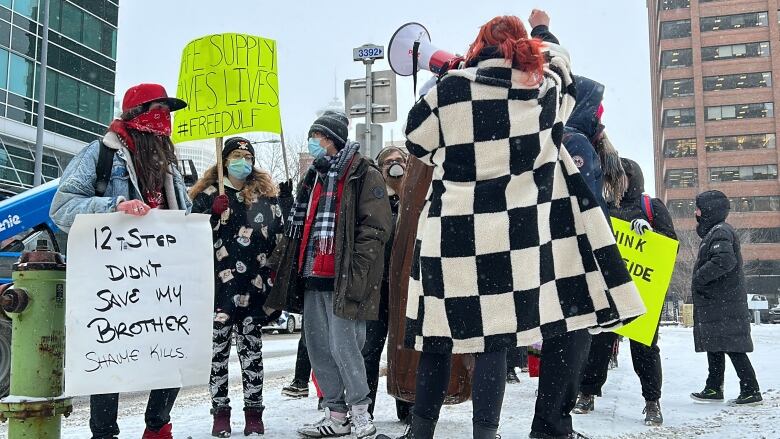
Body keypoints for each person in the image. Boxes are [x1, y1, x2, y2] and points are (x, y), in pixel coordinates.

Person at [395, 11, 644, 439]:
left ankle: (422, 431)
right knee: (495, 341)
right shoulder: (545, 92)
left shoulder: (451, 89)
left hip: (452, 236)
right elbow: (564, 65)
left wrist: (457, 73)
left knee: (438, 338)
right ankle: (485, 433)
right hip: (515, 241)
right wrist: (541, 32)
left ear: (479, 45)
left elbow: (416, 138)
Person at [49, 83, 191, 439]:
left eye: (167, 110)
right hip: (113, 279)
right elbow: (62, 210)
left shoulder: (169, 165)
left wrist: (203, 215)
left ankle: (158, 426)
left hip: (161, 278)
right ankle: (104, 433)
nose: (163, 118)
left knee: (169, 349)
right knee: (111, 351)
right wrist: (114, 207)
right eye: (155, 109)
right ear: (134, 115)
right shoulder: (100, 154)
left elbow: (184, 219)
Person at [265, 110, 393, 438]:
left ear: (331, 140)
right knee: (320, 348)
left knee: (346, 346)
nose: (313, 143)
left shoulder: (363, 172)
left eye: (317, 137)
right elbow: (299, 227)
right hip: (311, 275)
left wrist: (359, 271)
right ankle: (336, 415)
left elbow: (376, 227)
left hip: (343, 277)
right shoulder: (313, 178)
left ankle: (361, 413)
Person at [189, 136, 287, 437]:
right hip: (217, 289)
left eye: (248, 156)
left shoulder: (263, 196)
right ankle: (220, 412)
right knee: (217, 353)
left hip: (252, 287)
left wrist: (287, 203)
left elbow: (279, 238)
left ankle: (253, 412)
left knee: (251, 352)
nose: (242, 161)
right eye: (236, 155)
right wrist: (210, 216)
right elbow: (190, 237)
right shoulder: (208, 193)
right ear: (224, 159)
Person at [573, 158, 677, 426]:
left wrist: (652, 234)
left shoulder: (651, 207)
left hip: (643, 295)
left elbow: (669, 247)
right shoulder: (602, 208)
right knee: (598, 346)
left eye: (619, 178)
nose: (613, 184)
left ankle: (652, 401)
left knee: (645, 349)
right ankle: (587, 392)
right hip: (609, 292)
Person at [690, 190, 762, 406]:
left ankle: (751, 390)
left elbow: (724, 260)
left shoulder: (720, 231)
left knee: (732, 346)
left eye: (699, 208)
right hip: (718, 303)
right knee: (715, 344)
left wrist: (699, 278)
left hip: (723, 303)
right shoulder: (715, 231)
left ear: (709, 210)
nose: (696, 212)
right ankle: (713, 387)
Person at [361, 146, 406, 417]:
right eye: (389, 162)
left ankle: (407, 405)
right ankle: (365, 409)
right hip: (377, 287)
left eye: (400, 161)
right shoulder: (374, 200)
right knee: (370, 350)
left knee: (405, 351)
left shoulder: (415, 198)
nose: (396, 165)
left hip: (407, 287)